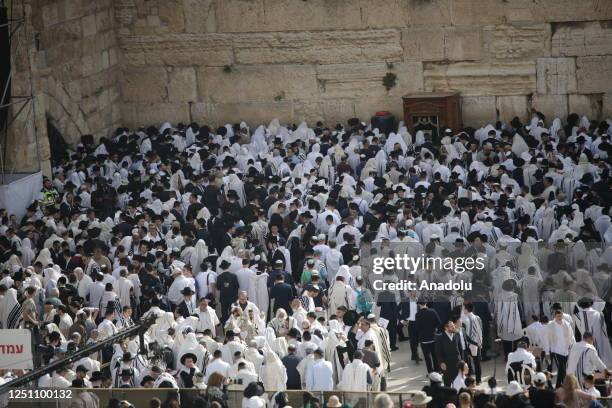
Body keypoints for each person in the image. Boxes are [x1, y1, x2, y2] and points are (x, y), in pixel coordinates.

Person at [416, 301, 441, 374]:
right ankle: (437, 371)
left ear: (419, 305)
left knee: (427, 357)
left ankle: (430, 372)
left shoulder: (418, 314)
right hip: (433, 337)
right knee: (435, 356)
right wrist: (435, 328)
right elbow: (439, 323)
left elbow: (418, 328)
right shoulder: (433, 311)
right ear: (426, 303)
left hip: (424, 339)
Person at [435, 320, 462, 387]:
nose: (454, 327)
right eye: (451, 327)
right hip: (447, 363)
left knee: (457, 382)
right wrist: (441, 362)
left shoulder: (457, 334)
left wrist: (462, 361)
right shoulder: (440, 337)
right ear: (446, 328)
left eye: (453, 326)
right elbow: (438, 352)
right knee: (447, 382)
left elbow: (460, 349)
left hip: (457, 362)